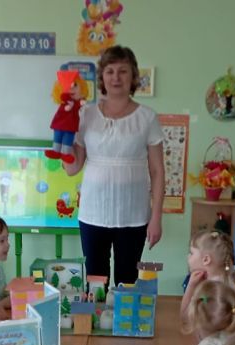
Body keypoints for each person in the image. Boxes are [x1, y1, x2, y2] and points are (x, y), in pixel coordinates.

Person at [63, 45, 164, 288]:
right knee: (95, 281)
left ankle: (122, 316)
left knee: (127, 281)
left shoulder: (147, 117)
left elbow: (158, 171)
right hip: (93, 212)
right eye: (110, 71)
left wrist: (156, 217)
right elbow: (72, 168)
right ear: (102, 77)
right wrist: (62, 136)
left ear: (133, 76)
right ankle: (97, 314)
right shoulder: (86, 114)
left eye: (122, 71)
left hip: (133, 215)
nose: (116, 77)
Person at [180, 230, 235, 330]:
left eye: (191, 253)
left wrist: (191, 286)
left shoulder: (212, 289)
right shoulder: (227, 281)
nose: (188, 256)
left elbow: (186, 317)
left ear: (206, 260)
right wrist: (191, 284)